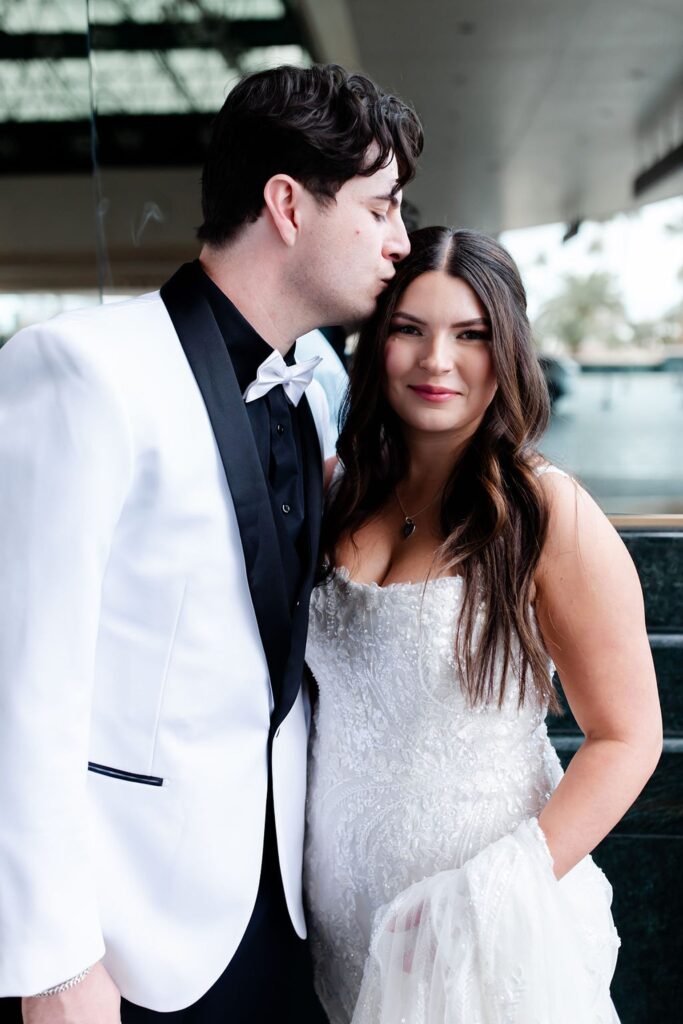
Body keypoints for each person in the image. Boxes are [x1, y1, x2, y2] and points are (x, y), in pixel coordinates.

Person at [0, 64, 422, 1023]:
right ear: (287, 205)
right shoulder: (79, 371)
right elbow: (24, 688)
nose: (399, 240)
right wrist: (56, 963)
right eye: (380, 207)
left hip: (285, 905)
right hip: (126, 930)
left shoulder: (318, 383)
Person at [304, 227, 662, 1023]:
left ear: (507, 350)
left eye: (469, 335)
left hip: (484, 938)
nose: (437, 361)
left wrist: (487, 897)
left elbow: (627, 735)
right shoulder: (336, 493)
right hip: (344, 935)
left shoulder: (546, 511)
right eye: (409, 330)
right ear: (374, 343)